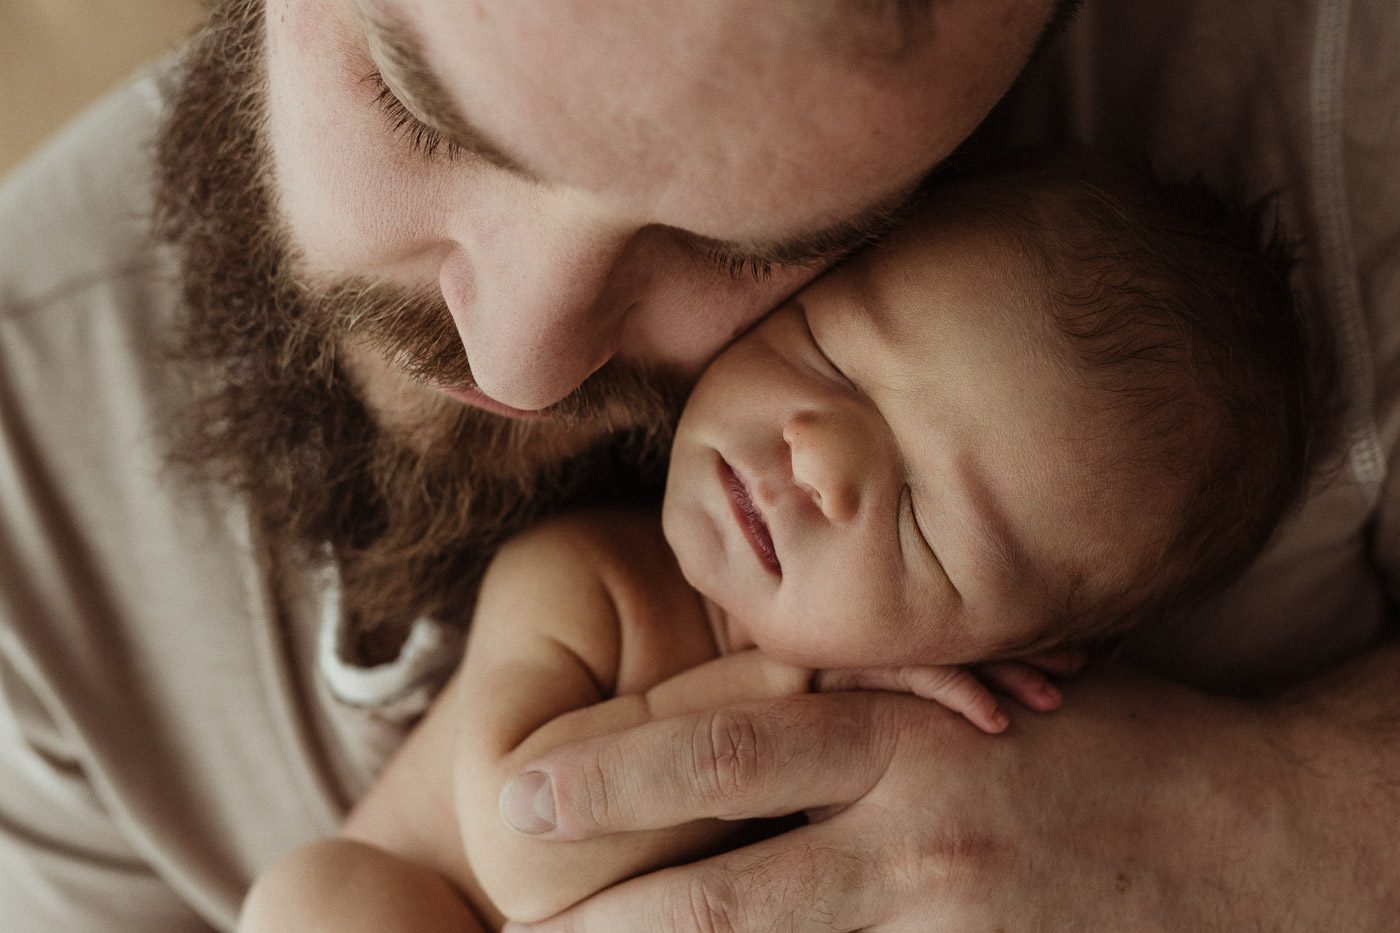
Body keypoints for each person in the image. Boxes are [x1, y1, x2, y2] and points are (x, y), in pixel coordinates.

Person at [0, 0, 1395, 930]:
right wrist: (798, 690)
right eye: (423, 114)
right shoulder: (28, 434)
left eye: (749, 250)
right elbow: (530, 828)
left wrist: (1283, 815)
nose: (524, 367)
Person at [236, 157, 1325, 931]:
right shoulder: (589, 580)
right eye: (826, 360)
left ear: (1019, 655)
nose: (816, 455)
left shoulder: (972, 787)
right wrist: (795, 675)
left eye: (918, 520)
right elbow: (527, 852)